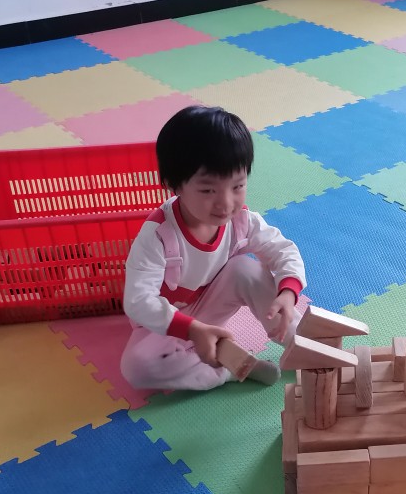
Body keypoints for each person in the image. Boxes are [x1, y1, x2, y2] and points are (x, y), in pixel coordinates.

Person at [121, 105, 306, 391]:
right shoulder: (158, 236)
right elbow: (138, 301)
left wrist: (288, 293)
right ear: (174, 185)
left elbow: (283, 250)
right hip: (167, 324)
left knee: (245, 269)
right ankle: (230, 368)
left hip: (210, 306)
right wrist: (192, 330)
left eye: (237, 186)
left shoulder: (242, 221)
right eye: (208, 190)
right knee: (137, 368)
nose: (226, 203)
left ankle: (301, 343)